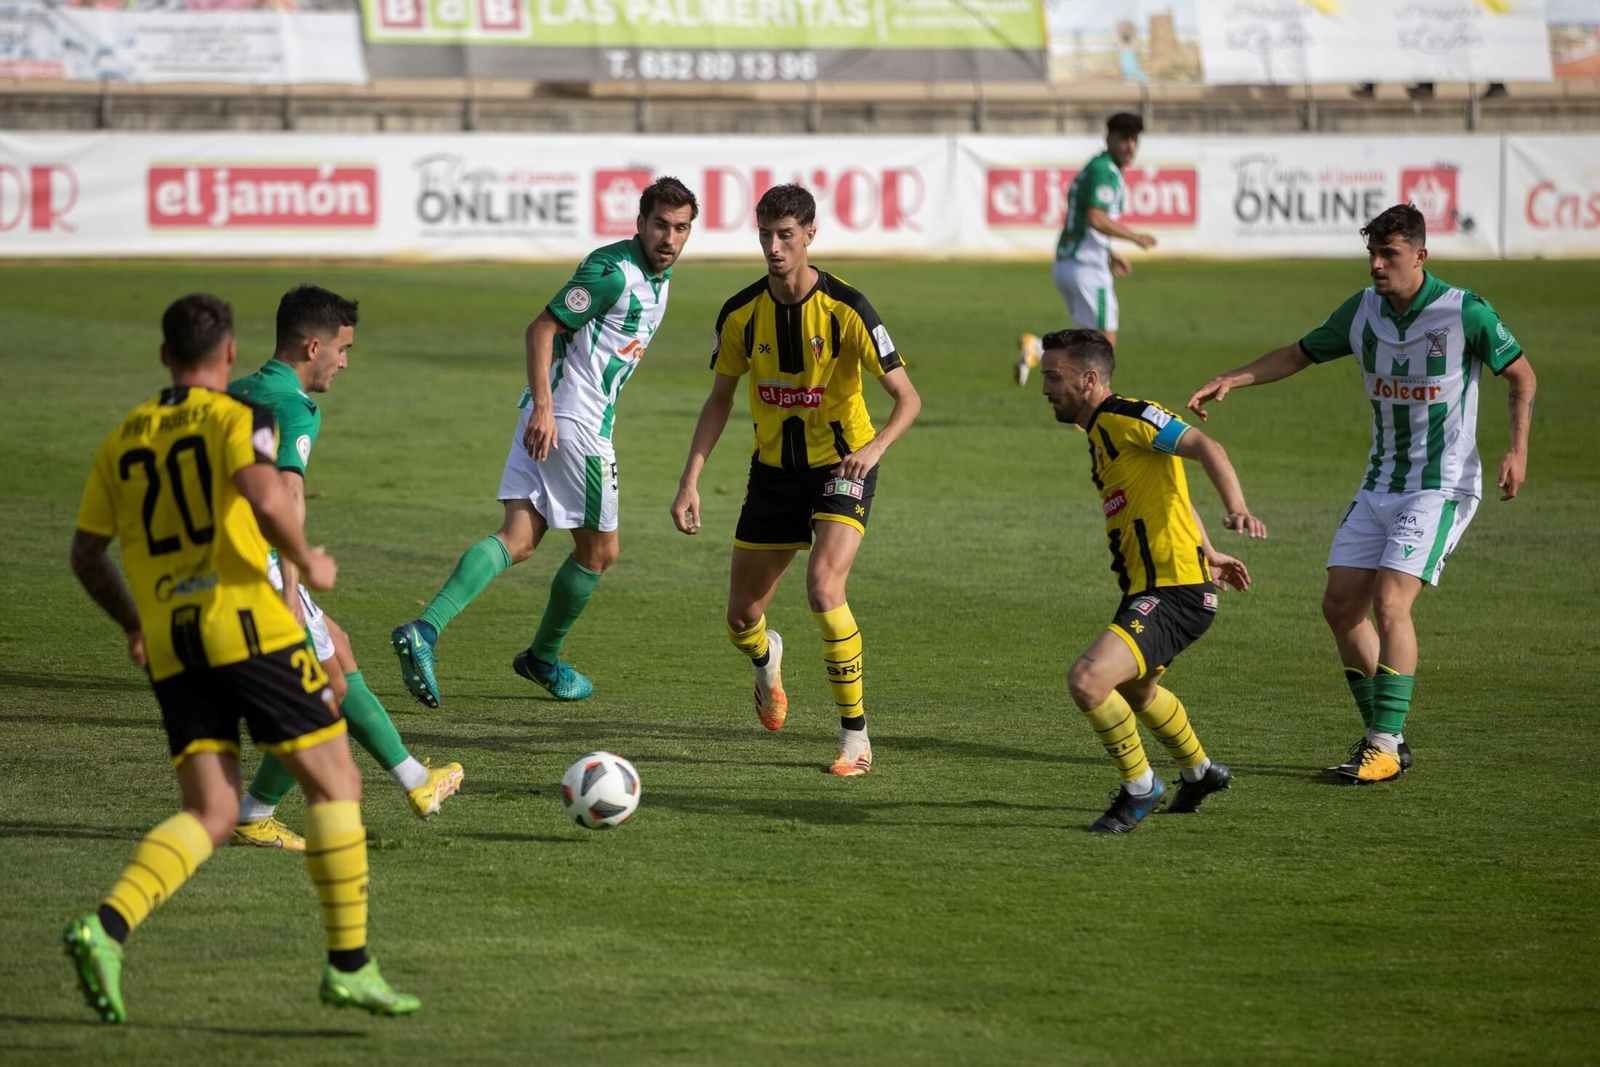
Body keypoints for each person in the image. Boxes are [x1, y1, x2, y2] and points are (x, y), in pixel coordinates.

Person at [62, 294, 418, 1023]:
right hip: (247, 629)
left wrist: (134, 622)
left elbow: (86, 555)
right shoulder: (238, 417)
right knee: (336, 779)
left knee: (214, 809)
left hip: (172, 641)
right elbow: (266, 492)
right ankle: (349, 965)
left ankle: (106, 925)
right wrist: (305, 560)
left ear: (165, 356)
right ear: (228, 357)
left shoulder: (123, 436)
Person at [1186, 203, 1536, 783]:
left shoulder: (1464, 312)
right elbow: (1299, 352)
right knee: (1341, 606)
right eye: (1372, 253)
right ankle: (1388, 741)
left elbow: (1522, 374)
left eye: (1389, 255)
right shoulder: (1362, 311)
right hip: (1379, 483)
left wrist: (1518, 451)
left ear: (1420, 256)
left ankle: (1383, 744)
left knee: (1391, 604)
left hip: (1440, 485)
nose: (1376, 265)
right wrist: (1234, 378)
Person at [391, 177, 698, 707]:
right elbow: (541, 329)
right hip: (573, 423)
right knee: (600, 553)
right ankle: (543, 659)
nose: (669, 238)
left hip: (551, 415)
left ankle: (425, 630)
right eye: (660, 226)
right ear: (640, 224)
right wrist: (546, 408)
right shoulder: (612, 273)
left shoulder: (659, 276)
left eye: (680, 228)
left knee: (520, 537)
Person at [670, 183, 922, 777]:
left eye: (786, 235)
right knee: (740, 619)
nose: (775, 248)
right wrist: (690, 480)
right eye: (765, 235)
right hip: (772, 476)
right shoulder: (739, 313)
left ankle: (855, 740)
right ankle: (767, 663)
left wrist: (875, 448)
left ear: (811, 234)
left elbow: (907, 398)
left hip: (842, 467)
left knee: (823, 589)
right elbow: (719, 399)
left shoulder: (848, 309)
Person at [228, 285, 463, 850]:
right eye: (342, 349)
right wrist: (291, 584)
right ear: (313, 346)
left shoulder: (237, 391)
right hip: (252, 560)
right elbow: (285, 496)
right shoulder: (294, 408)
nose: (345, 362)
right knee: (324, 692)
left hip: (205, 555)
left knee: (339, 647)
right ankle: (252, 813)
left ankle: (415, 780)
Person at [1039, 329, 1264, 833]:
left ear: (1090, 379)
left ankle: (1141, 788)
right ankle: (1200, 771)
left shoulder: (1129, 416)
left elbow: (1206, 446)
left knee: (1088, 680)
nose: (1046, 389)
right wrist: (1207, 550)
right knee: (1139, 691)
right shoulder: (1100, 431)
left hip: (1174, 592)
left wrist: (1237, 510)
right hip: (1156, 586)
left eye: (1054, 377)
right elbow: (1168, 490)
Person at [1018, 112, 1156, 385]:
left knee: (1088, 343)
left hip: (1069, 264)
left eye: (1134, 139)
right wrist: (1134, 237)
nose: (1130, 146)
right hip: (1087, 269)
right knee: (1105, 345)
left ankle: (1038, 350)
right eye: (1124, 139)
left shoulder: (1095, 165)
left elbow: (1085, 221)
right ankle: (1094, 411)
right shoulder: (1105, 171)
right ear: (1109, 139)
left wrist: (1108, 252)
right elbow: (1095, 217)